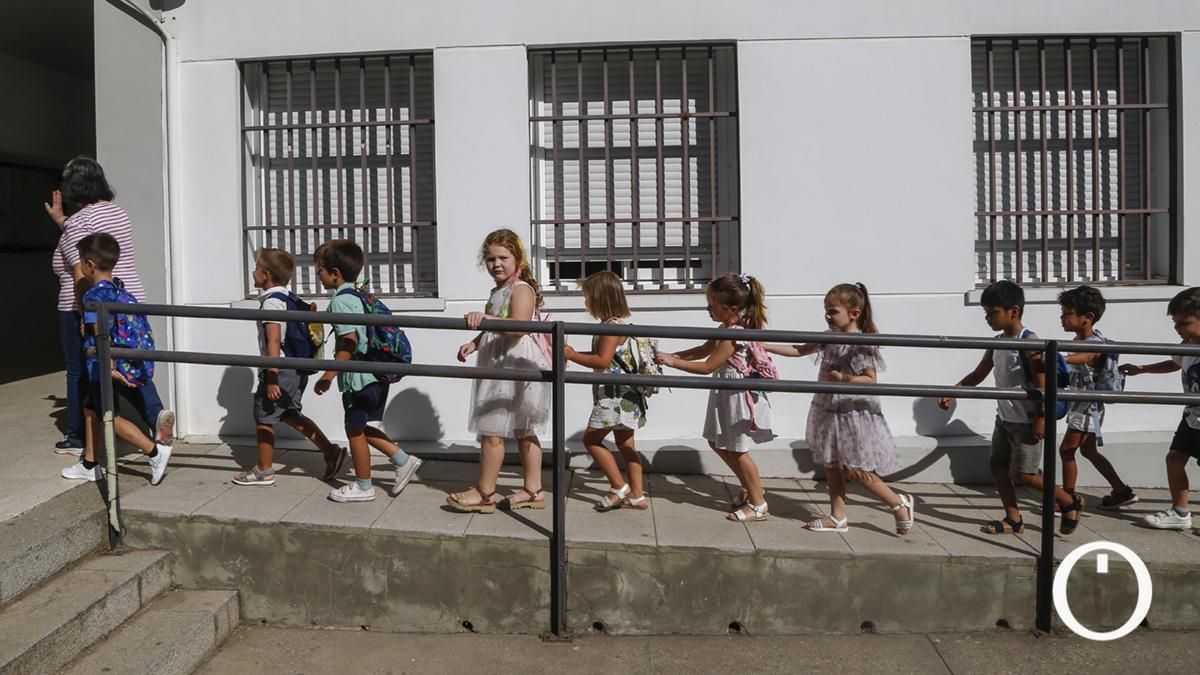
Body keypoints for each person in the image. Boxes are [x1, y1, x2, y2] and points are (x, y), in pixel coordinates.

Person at [44, 156, 174, 453]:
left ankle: (78, 437)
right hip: (127, 300)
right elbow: (88, 235)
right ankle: (155, 415)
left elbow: (80, 274)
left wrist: (84, 315)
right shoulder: (117, 213)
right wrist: (61, 221)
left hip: (89, 305)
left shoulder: (80, 221)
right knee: (128, 360)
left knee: (81, 369)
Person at [765, 283, 913, 535]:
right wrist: (763, 345)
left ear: (854, 314)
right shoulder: (829, 337)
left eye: (833, 311)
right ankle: (837, 516)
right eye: (826, 310)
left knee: (853, 468)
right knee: (832, 463)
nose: (827, 316)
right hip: (828, 409)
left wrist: (844, 378)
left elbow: (870, 379)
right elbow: (799, 349)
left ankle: (898, 502)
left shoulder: (860, 344)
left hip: (850, 413)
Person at [938, 280, 1082, 535]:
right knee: (997, 466)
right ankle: (1013, 519)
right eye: (986, 313)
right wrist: (954, 391)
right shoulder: (997, 342)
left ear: (1014, 312)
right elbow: (979, 374)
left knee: (1026, 475)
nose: (988, 318)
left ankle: (1069, 501)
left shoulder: (1029, 342)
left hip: (1027, 421)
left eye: (992, 312)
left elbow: (1042, 383)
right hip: (1004, 418)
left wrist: (1041, 417)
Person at [447, 229, 552, 513]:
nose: (496, 264)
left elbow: (518, 327)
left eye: (503, 258)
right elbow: (495, 324)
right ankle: (533, 490)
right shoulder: (497, 292)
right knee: (520, 430)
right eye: (491, 259)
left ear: (518, 258)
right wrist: (475, 342)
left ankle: (486, 492)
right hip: (501, 363)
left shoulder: (521, 289)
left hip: (516, 365)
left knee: (495, 429)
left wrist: (485, 319)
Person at [656, 272, 775, 522]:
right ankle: (750, 488)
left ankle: (758, 503)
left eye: (712, 305)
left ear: (732, 308)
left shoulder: (735, 333)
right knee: (717, 442)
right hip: (724, 390)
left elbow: (707, 366)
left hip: (736, 394)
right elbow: (703, 350)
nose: (708, 309)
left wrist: (673, 362)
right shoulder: (725, 328)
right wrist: (672, 355)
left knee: (738, 449)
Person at [313, 240, 421, 503]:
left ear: (335, 273)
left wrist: (328, 375)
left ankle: (364, 486)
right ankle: (402, 459)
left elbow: (348, 341)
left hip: (358, 377)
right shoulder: (360, 296)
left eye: (320, 270)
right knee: (358, 425)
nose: (318, 275)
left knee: (354, 429)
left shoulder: (340, 301)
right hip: (375, 373)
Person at [60, 234, 172, 484]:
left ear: (90, 265)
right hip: (114, 361)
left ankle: (154, 452)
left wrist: (108, 364)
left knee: (109, 416)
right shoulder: (118, 289)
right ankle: (90, 464)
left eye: (81, 261)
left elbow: (101, 331)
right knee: (91, 407)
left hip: (102, 363)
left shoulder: (94, 296)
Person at [232, 248, 347, 487]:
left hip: (280, 369)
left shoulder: (272, 303)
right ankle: (330, 451)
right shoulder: (288, 297)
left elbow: (274, 340)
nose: (252, 272)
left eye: (256, 268)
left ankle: (264, 470)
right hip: (294, 368)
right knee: (289, 414)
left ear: (266, 275)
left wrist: (271, 376)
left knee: (264, 417)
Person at [564, 271, 647, 512]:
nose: (586, 302)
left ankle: (618, 487)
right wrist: (575, 354)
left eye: (588, 297)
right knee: (626, 444)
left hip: (614, 397)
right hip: (627, 396)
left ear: (600, 299)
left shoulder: (610, 328)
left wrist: (571, 355)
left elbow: (601, 360)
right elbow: (603, 357)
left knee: (591, 440)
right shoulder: (614, 325)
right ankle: (637, 495)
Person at [1120, 286, 1200, 531]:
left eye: (1184, 323)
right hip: (1192, 415)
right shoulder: (1187, 345)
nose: (1177, 327)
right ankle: (1180, 512)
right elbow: (1174, 363)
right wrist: (1143, 369)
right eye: (1175, 322)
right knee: (1174, 458)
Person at [1056, 286, 1137, 508]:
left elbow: (1085, 357)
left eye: (1067, 314)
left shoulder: (1095, 343)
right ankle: (1121, 491)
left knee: (1066, 450)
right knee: (1089, 451)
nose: (1062, 318)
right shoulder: (1078, 339)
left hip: (1087, 408)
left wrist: (1058, 357)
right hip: (1082, 405)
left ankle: (1068, 499)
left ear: (1087, 317)